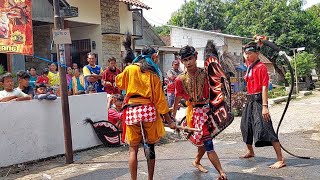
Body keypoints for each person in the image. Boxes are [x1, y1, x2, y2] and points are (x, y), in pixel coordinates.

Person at [115, 46, 176, 180]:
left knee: (133, 149)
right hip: (148, 110)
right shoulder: (153, 73)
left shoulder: (130, 69)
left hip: (132, 111)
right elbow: (160, 99)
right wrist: (169, 120)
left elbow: (118, 83)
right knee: (150, 147)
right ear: (153, 57)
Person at [172, 45, 227, 180]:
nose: (188, 62)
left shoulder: (206, 74)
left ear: (196, 57)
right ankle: (221, 172)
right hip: (195, 114)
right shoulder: (179, 79)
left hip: (208, 111)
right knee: (207, 143)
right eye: (184, 60)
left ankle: (196, 161)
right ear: (181, 61)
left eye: (190, 58)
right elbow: (177, 100)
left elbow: (217, 91)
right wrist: (172, 118)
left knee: (203, 141)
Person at [240, 42, 286, 169]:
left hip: (259, 100)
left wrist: (265, 106)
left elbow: (265, 87)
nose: (247, 56)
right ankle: (250, 151)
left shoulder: (261, 67)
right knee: (245, 126)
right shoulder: (250, 65)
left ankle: (281, 159)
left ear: (257, 54)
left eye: (250, 53)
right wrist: (257, 43)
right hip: (249, 101)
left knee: (266, 127)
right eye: (246, 53)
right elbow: (246, 53)